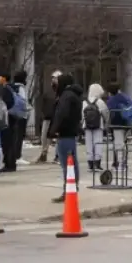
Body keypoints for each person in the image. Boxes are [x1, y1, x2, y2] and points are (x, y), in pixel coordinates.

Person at [49, 73, 83, 203]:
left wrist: (54, 130)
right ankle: (72, 187)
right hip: (70, 133)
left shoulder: (66, 96)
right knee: (71, 162)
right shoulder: (73, 95)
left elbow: (61, 115)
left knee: (67, 164)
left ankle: (69, 189)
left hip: (65, 133)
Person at [0, 71, 26, 172]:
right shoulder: (13, 88)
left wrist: (3, 111)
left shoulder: (6, 89)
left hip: (8, 118)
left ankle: (9, 164)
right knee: (11, 140)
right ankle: (11, 163)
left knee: (7, 142)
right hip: (13, 117)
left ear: (4, 78)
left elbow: (7, 103)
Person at [105, 83, 132, 169]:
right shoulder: (126, 97)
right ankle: (123, 161)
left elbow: (108, 112)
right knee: (123, 142)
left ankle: (120, 162)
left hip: (117, 124)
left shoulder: (112, 100)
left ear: (110, 92)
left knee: (118, 143)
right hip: (127, 123)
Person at [82, 83, 109, 171]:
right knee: (98, 143)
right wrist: (106, 122)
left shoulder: (84, 102)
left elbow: (82, 116)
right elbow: (106, 113)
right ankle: (97, 164)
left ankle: (90, 164)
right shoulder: (100, 102)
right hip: (98, 125)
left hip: (87, 126)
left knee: (89, 144)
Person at [36, 70, 61, 164]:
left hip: (57, 118)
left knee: (58, 137)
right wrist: (43, 114)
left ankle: (58, 155)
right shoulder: (48, 92)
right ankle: (44, 153)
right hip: (47, 117)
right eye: (53, 78)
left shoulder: (62, 93)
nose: (53, 80)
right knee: (44, 136)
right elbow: (43, 104)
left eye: (55, 78)